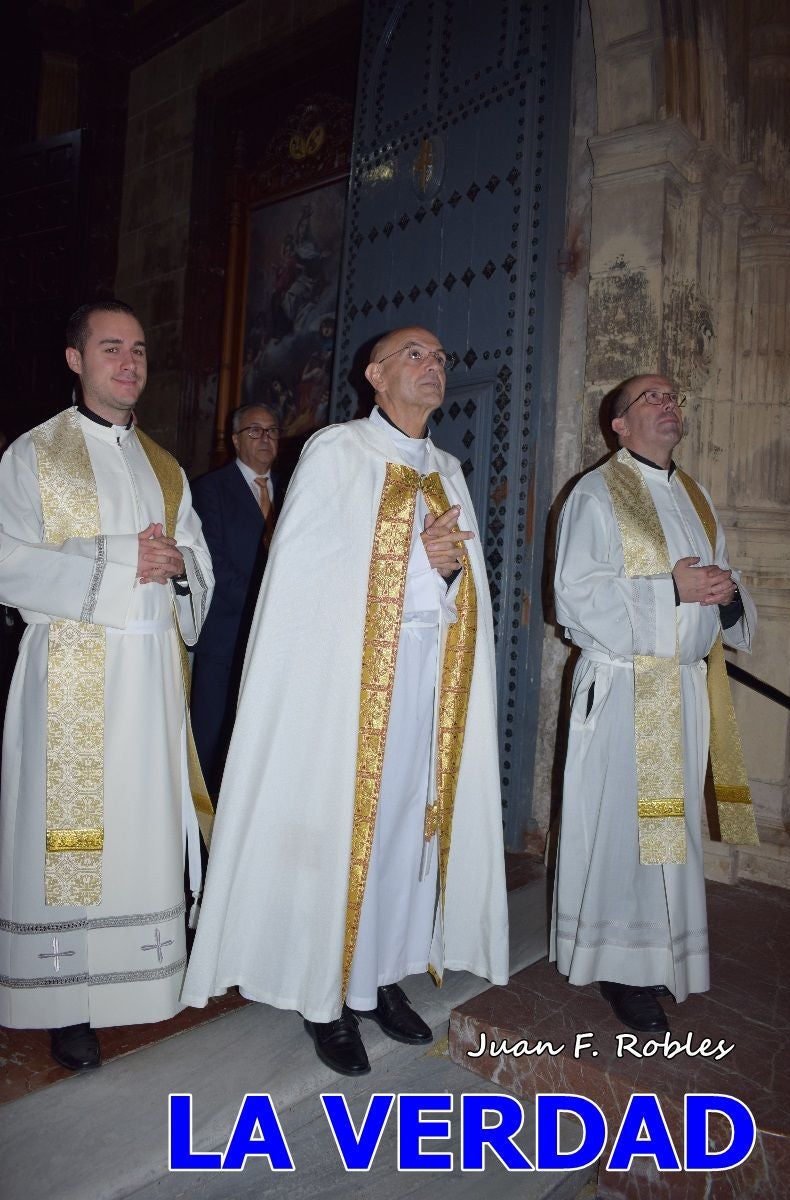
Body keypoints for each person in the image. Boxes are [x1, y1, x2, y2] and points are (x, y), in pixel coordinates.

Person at [182, 325, 509, 1075]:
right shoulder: (336, 454)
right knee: (340, 836)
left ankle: (376, 977)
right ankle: (324, 997)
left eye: (442, 356)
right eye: (416, 356)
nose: (436, 366)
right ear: (374, 374)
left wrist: (446, 577)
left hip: (423, 687)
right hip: (346, 694)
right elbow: (302, 577)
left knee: (402, 837)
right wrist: (415, 567)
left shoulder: (448, 472)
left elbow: (466, 587)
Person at [0, 299, 214, 1071]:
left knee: (139, 828)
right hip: (73, 673)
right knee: (71, 837)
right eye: (111, 348)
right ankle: (67, 1002)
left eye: (140, 351)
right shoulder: (34, 455)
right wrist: (125, 557)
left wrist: (181, 566)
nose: (129, 364)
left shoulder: (165, 465)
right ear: (75, 360)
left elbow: (197, 556)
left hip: (151, 673)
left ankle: (143, 983)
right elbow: (9, 562)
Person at [550, 374, 758, 1033]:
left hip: (683, 691)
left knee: (668, 835)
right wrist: (670, 588)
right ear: (619, 424)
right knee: (626, 833)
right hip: (626, 690)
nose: (669, 404)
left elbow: (717, 577)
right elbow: (575, 594)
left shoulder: (692, 493)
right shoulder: (596, 492)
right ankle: (621, 968)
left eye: (674, 396)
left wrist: (726, 596)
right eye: (652, 398)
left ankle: (661, 951)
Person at [190, 402, 284, 793]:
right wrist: (272, 602)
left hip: (280, 643)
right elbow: (214, 565)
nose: (265, 438)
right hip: (226, 640)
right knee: (212, 744)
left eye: (272, 430)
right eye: (254, 431)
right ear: (235, 440)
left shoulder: (296, 491)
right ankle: (200, 842)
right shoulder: (209, 490)